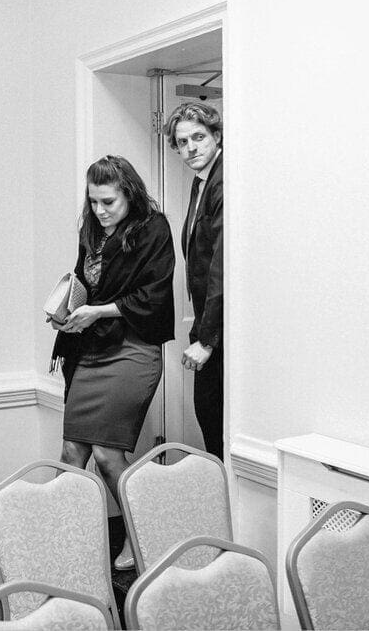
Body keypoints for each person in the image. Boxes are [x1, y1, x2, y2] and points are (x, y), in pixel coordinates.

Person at [50, 156, 175, 571]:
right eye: (94, 202)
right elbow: (84, 281)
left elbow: (154, 296)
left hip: (133, 349)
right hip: (91, 350)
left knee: (106, 454)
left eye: (109, 202)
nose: (100, 211)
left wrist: (99, 312)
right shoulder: (91, 228)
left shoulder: (153, 229)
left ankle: (141, 538)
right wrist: (67, 308)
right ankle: (64, 540)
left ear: (129, 194)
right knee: (71, 450)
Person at [164, 101, 224, 460]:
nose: (192, 148)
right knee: (208, 414)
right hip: (206, 324)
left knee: (214, 419)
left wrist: (207, 338)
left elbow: (220, 266)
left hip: (218, 333)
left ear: (216, 136)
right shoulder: (201, 181)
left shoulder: (222, 181)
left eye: (199, 137)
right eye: (183, 142)